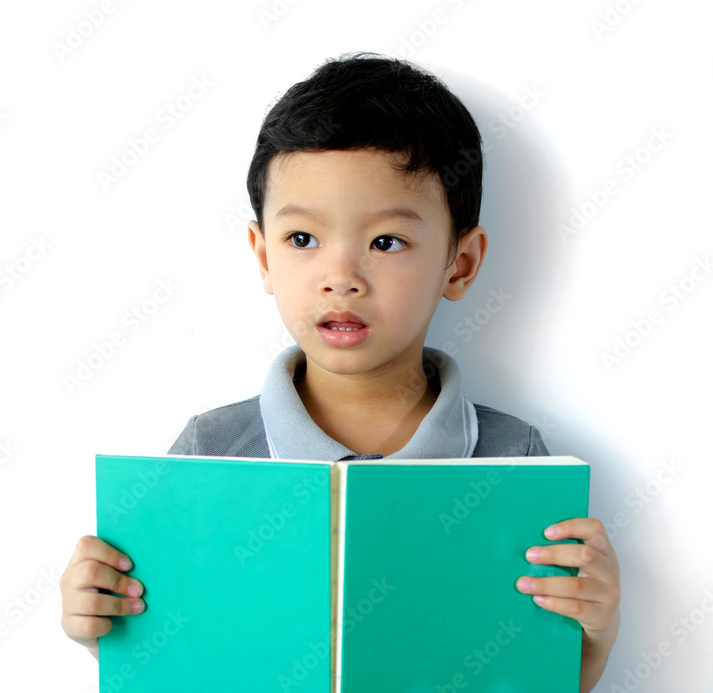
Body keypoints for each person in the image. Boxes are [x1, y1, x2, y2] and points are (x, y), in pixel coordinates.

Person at [60, 51, 620, 690]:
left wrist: (593, 639)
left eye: (387, 242)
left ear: (460, 264)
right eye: (303, 240)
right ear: (262, 255)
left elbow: (532, 675)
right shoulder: (208, 455)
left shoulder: (514, 460)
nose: (341, 279)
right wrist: (99, 627)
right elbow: (177, 662)